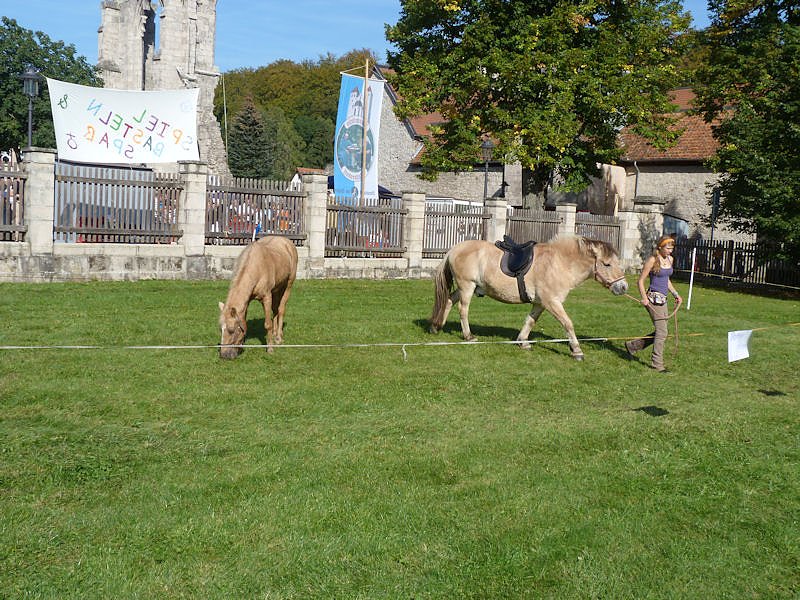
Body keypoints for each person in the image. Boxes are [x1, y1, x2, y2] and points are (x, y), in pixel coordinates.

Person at [626, 235, 683, 372]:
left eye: (671, 248)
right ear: (660, 247)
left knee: (661, 331)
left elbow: (666, 280)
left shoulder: (670, 259)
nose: (670, 251)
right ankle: (657, 364)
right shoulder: (652, 260)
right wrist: (644, 298)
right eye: (668, 248)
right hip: (653, 300)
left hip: (663, 300)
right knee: (662, 332)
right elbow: (640, 281)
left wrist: (676, 294)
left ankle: (633, 346)